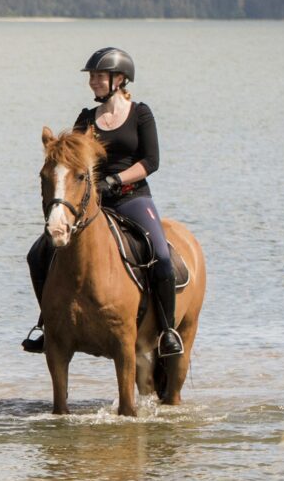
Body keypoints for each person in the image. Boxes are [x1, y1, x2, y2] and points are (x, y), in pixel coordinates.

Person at [23, 46, 182, 357]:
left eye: (99, 76)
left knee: (162, 256)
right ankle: (47, 324)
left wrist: (116, 180)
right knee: (37, 254)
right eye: (92, 77)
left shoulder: (140, 114)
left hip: (132, 197)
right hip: (92, 204)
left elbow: (151, 161)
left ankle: (166, 330)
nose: (93, 82)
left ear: (119, 79)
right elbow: (72, 162)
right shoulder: (86, 119)